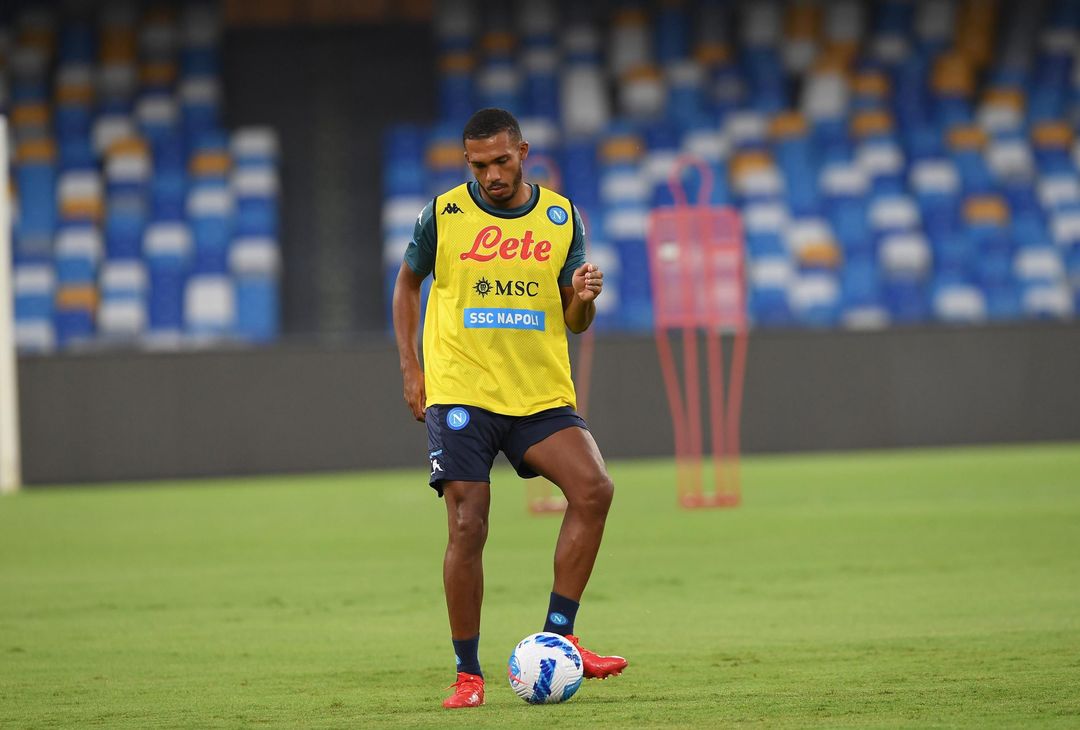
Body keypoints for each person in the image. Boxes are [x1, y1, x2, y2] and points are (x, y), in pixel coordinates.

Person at [392, 108, 628, 709]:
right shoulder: (443, 215)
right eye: (478, 165)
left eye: (501, 160)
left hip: (537, 393)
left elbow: (574, 321)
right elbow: (405, 285)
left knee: (594, 489)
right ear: (466, 161)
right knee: (469, 524)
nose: (492, 175)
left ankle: (561, 639)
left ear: (522, 152)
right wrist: (412, 370)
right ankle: (467, 673)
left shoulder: (561, 216)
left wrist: (582, 298)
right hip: (462, 390)